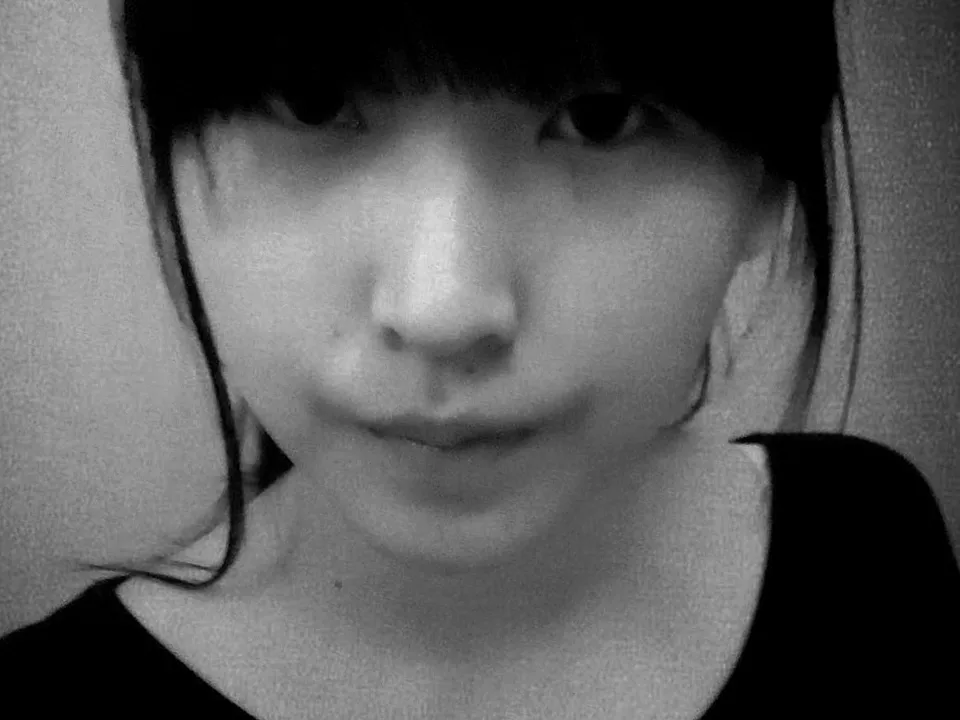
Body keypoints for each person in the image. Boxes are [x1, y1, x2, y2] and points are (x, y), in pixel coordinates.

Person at [2, 2, 958, 718]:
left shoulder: (864, 548)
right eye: (312, 101)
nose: (441, 309)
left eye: (599, 118)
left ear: (766, 185)